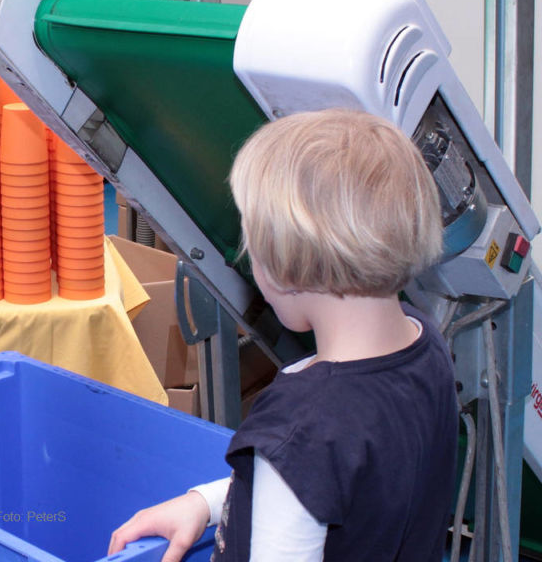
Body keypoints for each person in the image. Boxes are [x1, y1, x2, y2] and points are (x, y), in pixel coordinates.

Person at [108, 109, 459, 561]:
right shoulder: (424, 343)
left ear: (283, 265)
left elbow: (304, 473)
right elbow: (325, 488)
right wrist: (206, 503)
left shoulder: (300, 429)